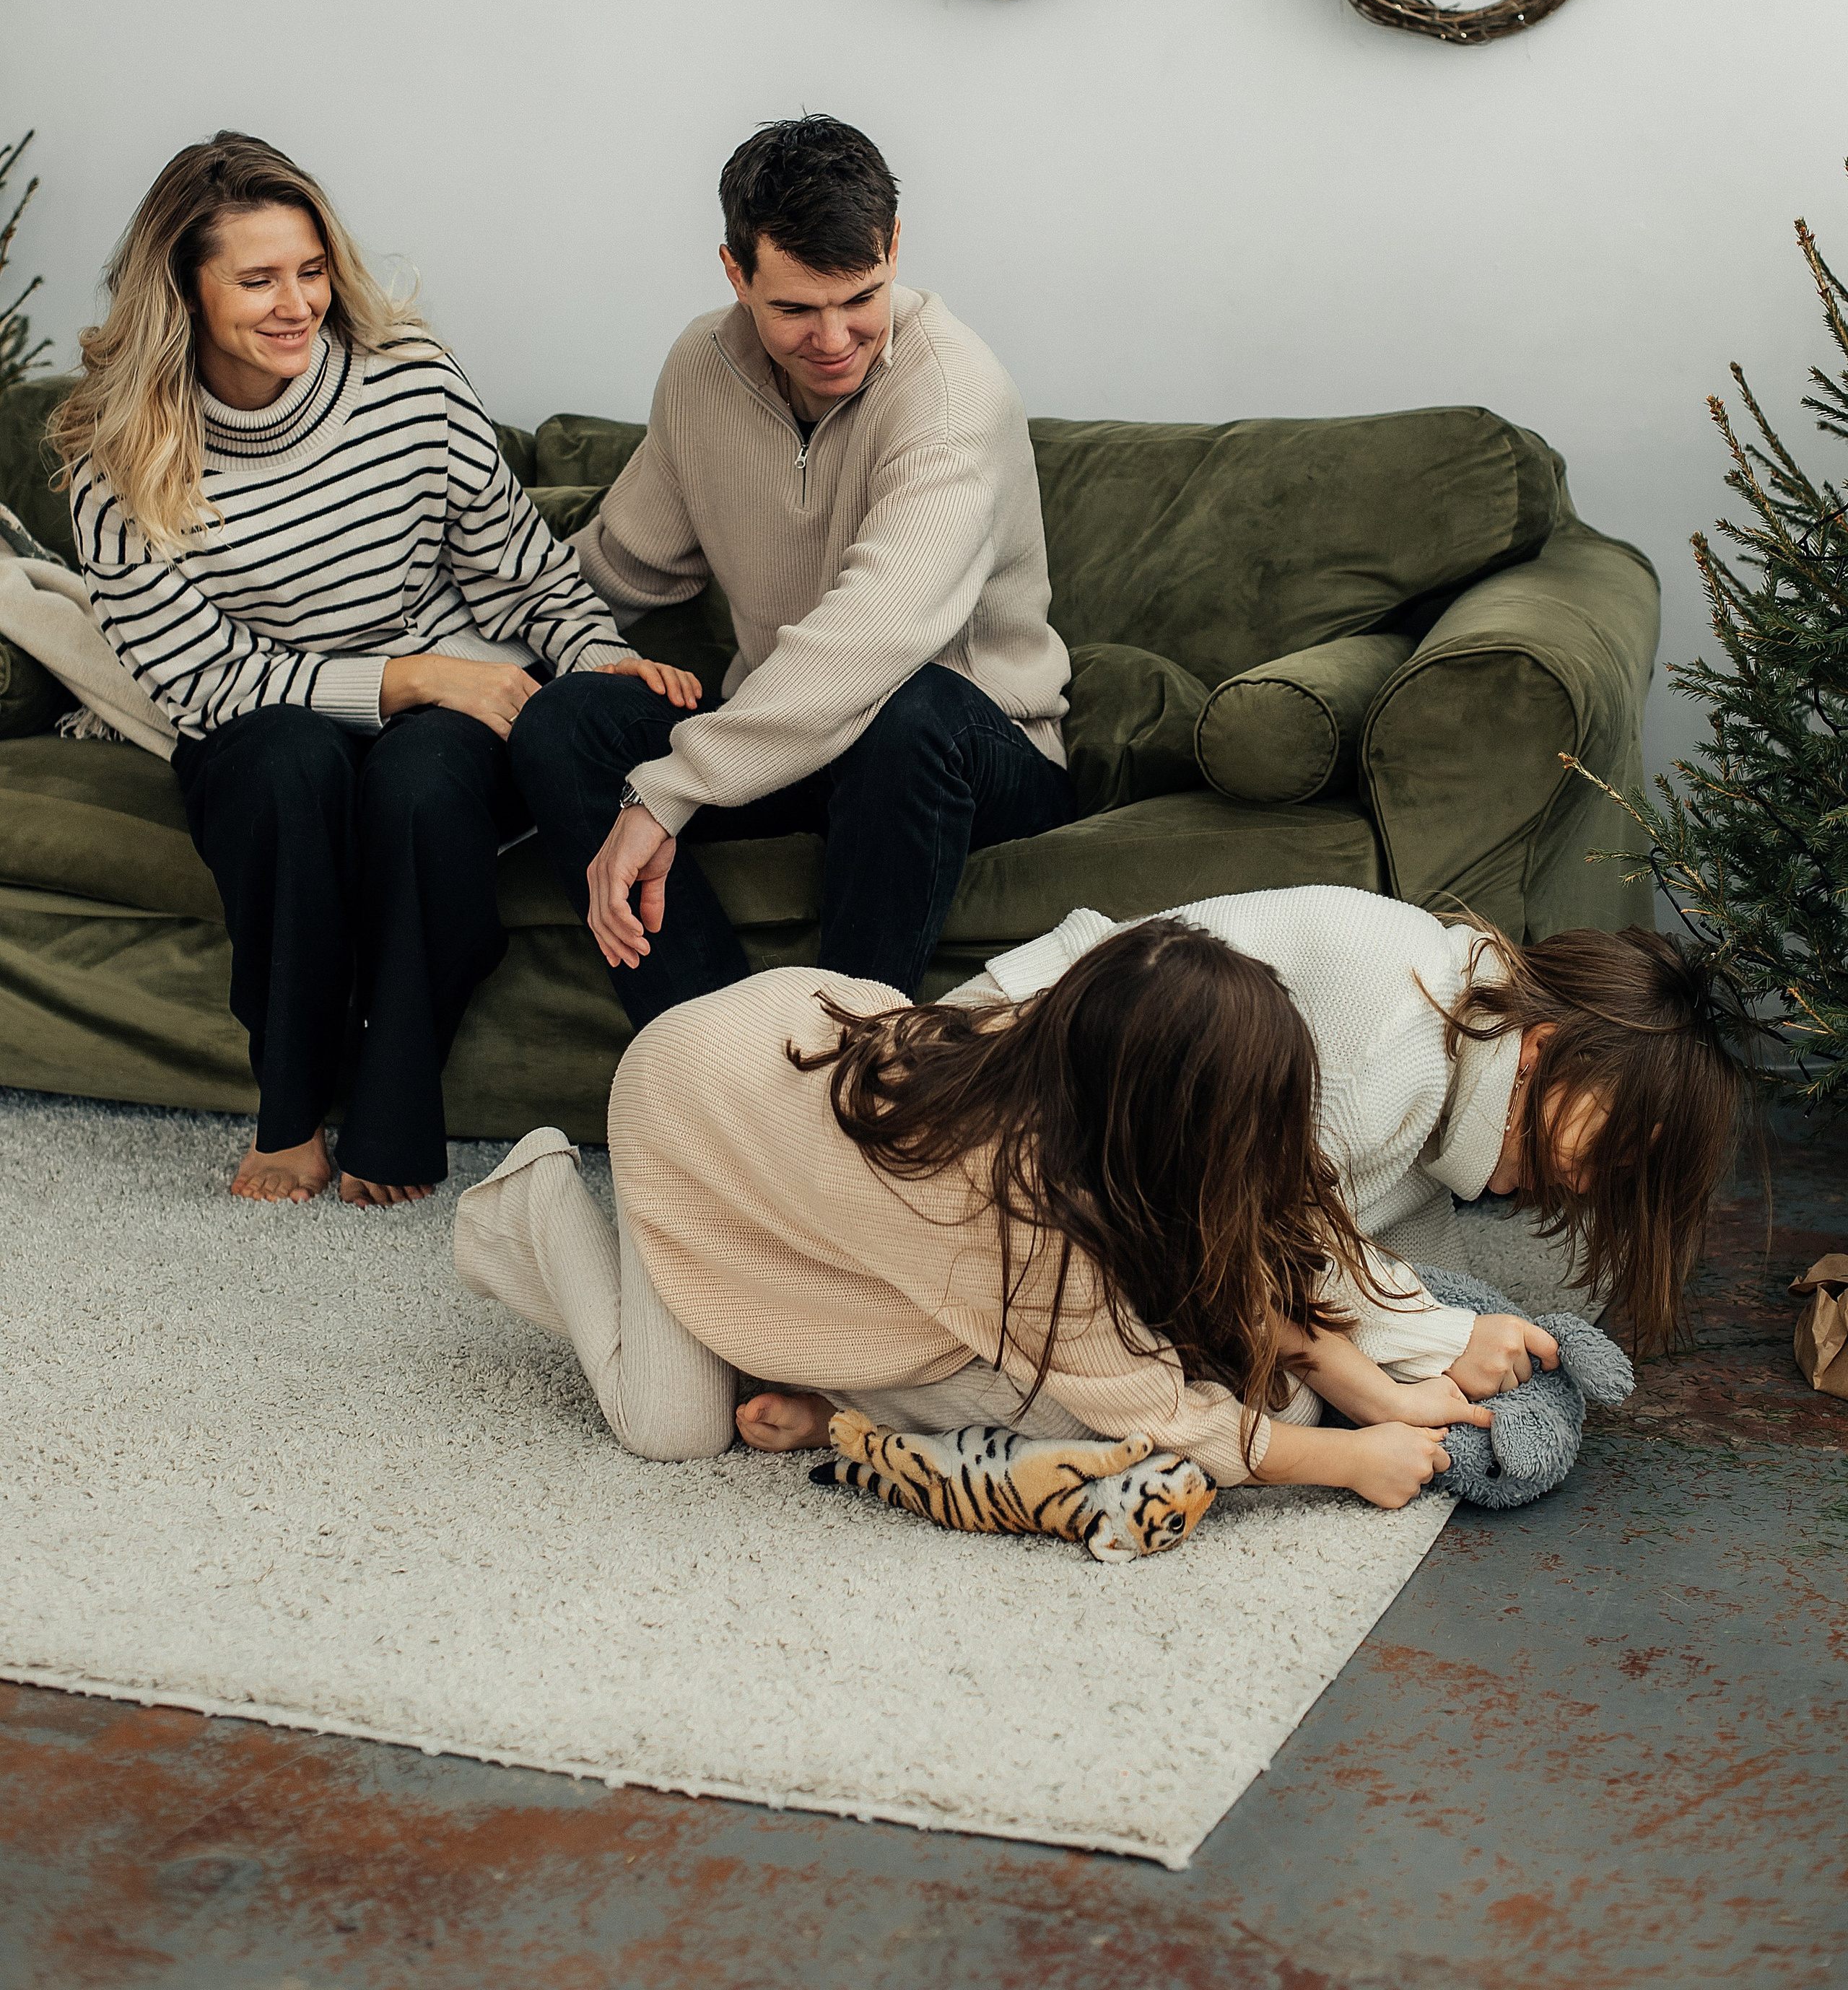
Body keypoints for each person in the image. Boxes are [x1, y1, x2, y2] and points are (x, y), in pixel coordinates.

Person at [52, 134, 700, 1210]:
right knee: (288, 771)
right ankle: (290, 1113)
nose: (296, 302)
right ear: (182, 291)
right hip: (269, 720)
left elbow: (517, 573)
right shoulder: (116, 451)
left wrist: (600, 663)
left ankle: (395, 1118)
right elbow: (197, 679)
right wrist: (411, 678)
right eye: (257, 279)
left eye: (310, 270)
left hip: (452, 706)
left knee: (415, 785)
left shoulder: (407, 381)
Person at [455, 921, 1522, 1509]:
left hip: (785, 1078)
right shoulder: (1004, 1216)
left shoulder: (1078, 1082)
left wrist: (1366, 1378)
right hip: (689, 1118)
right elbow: (1159, 1411)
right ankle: (534, 1203)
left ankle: (808, 1345)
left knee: (1234, 1390)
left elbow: (1227, 1248)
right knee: (673, 1431)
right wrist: (1347, 1458)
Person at [507, 115, 1073, 1026]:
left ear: (894, 247)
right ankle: (715, 1061)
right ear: (736, 273)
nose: (835, 337)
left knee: (912, 706)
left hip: (971, 746)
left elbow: (872, 639)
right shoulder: (702, 368)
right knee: (564, 721)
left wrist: (670, 788)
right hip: (790, 742)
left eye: (861, 297)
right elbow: (622, 562)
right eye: (795, 310)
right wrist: (446, 639)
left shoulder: (953, 395)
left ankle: (838, 1073)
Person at [947, 888, 1749, 1355]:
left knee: (1319, 1367)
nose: (1583, 1182)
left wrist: (1454, 1333)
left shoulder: (1448, 1091)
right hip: (997, 1088)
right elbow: (1267, 1246)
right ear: (1544, 1049)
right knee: (1232, 1374)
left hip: (1096, 1147)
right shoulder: (1396, 1038)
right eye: (1606, 1150)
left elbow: (1394, 1275)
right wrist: (1440, 1344)